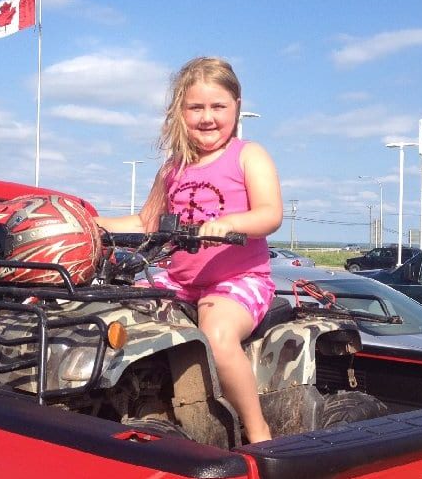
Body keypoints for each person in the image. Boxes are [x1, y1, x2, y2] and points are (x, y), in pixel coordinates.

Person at [95, 56, 283, 443]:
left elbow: (270, 214)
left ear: (237, 107)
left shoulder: (248, 155)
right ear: (180, 112)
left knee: (217, 334)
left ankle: (258, 430)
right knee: (106, 310)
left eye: (218, 106)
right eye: (196, 107)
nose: (207, 117)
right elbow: (146, 222)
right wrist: (92, 222)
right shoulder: (172, 168)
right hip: (178, 281)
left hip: (238, 280)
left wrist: (230, 223)